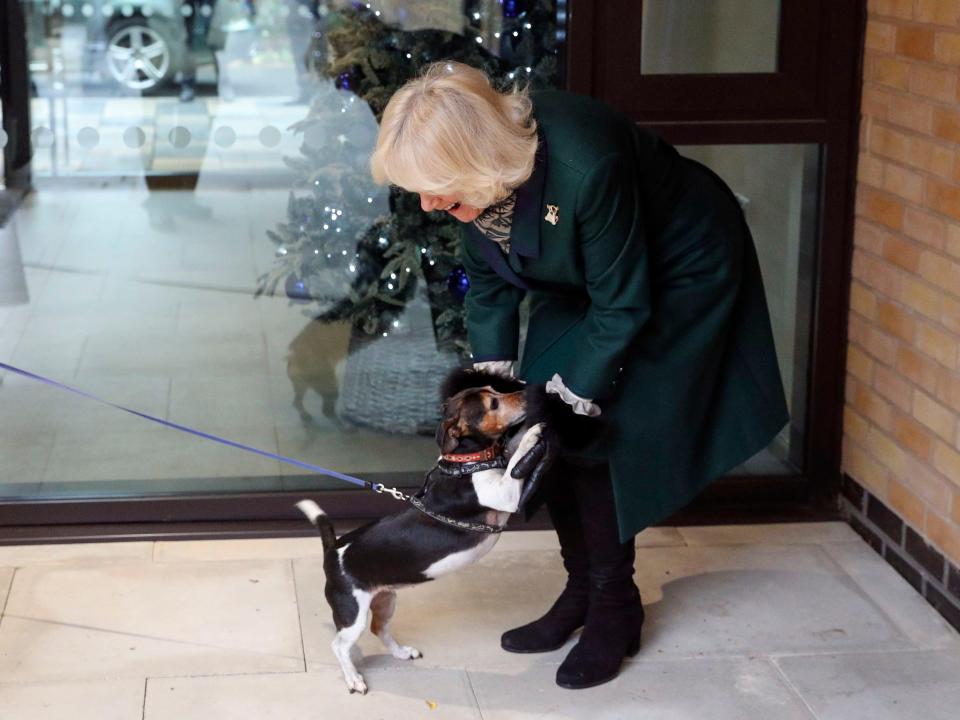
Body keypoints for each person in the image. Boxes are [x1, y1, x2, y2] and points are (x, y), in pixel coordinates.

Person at [368, 61, 789, 690]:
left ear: (481, 162)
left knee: (590, 432)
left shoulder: (587, 165)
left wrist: (573, 400)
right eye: (419, 191)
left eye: (437, 189)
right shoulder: (474, 188)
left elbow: (622, 305)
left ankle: (615, 607)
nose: (427, 205)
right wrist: (497, 385)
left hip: (678, 269)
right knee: (538, 420)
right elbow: (487, 288)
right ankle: (581, 592)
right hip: (587, 274)